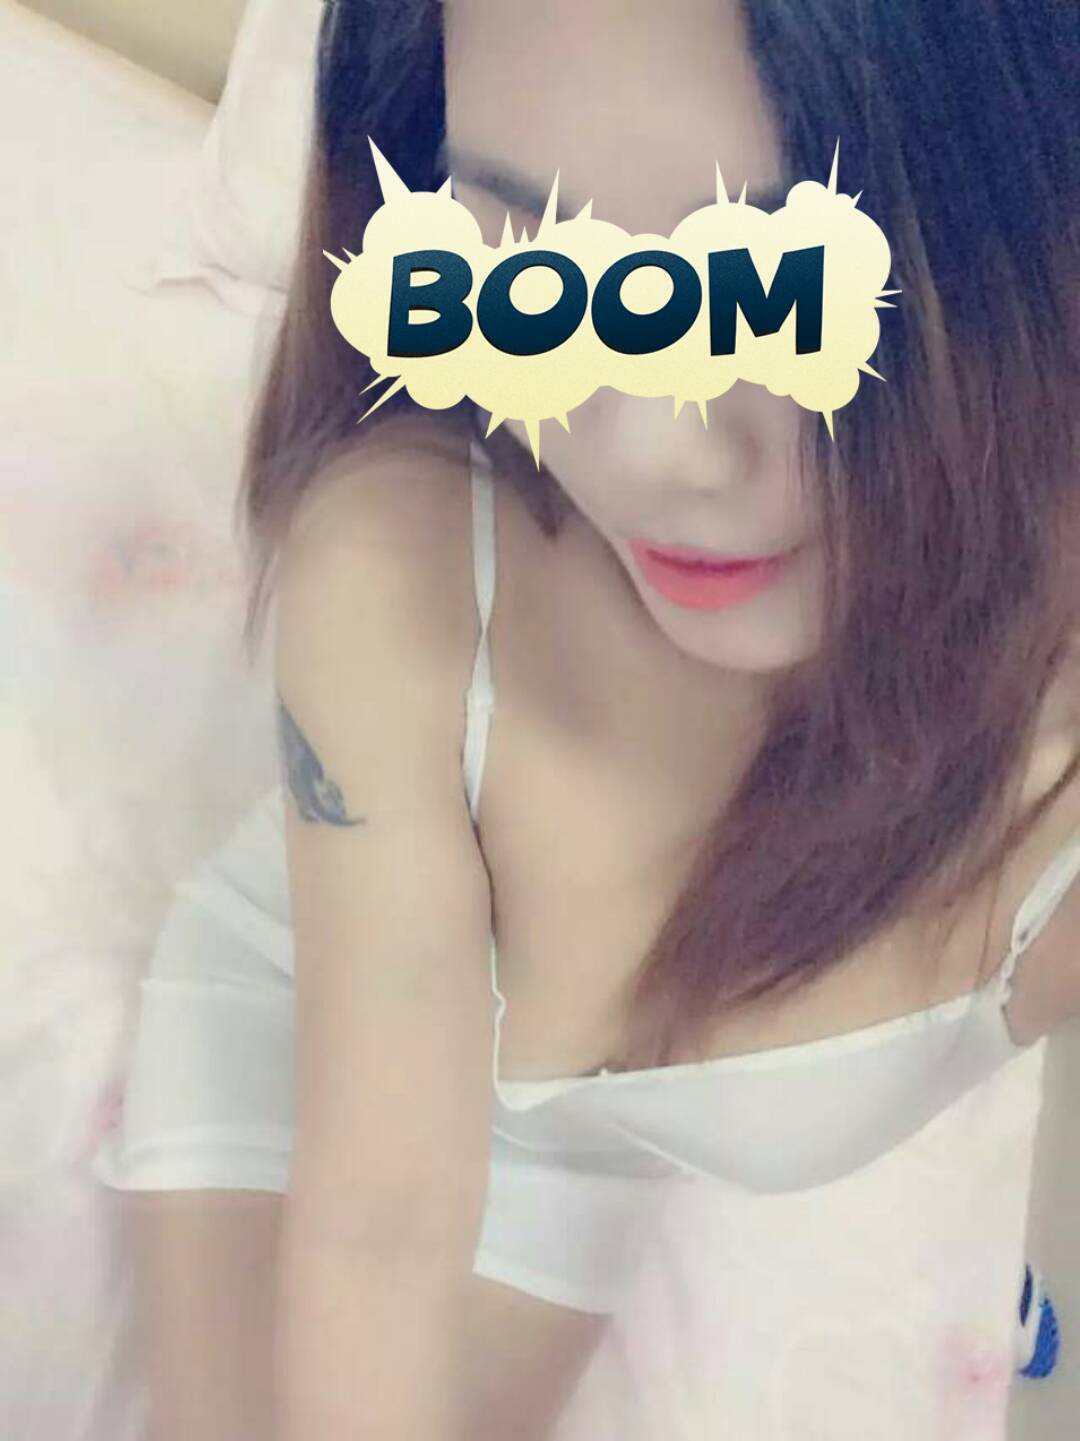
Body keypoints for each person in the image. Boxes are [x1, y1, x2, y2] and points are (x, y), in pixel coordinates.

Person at [91, 1, 1080, 1437]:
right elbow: (380, 1225)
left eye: (792, 290)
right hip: (299, 996)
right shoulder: (405, 565)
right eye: (527, 272)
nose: (650, 444)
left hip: (572, 1155)